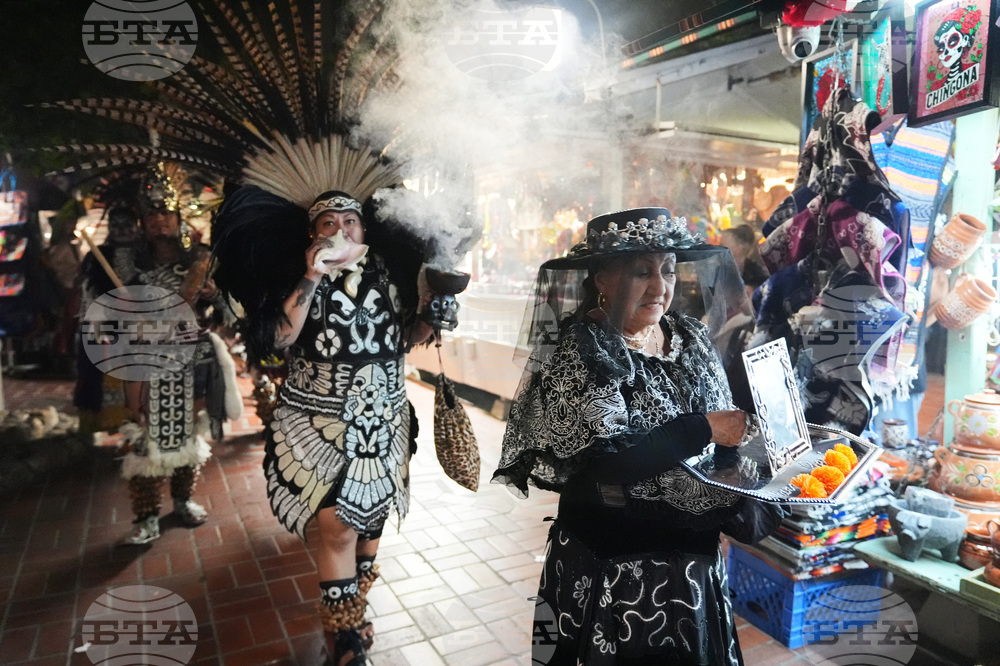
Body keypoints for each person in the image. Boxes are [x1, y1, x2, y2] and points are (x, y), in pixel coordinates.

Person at [494, 207, 784, 665]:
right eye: (641, 271)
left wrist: (759, 446)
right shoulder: (582, 347)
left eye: (667, 270)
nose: (659, 286)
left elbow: (725, 432)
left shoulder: (687, 335)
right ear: (603, 279)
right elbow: (612, 463)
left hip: (690, 566)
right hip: (615, 571)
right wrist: (704, 427)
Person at [213, 185, 433, 666]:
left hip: (384, 414)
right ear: (311, 235)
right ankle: (344, 633)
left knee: (371, 522)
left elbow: (409, 337)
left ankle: (354, 606)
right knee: (335, 526)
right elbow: (277, 340)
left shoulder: (391, 276)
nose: (340, 231)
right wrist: (312, 276)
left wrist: (436, 314)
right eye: (327, 224)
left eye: (349, 222)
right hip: (319, 417)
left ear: (365, 229)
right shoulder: (299, 277)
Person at [116, 167, 242, 546]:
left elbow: (228, 315)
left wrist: (213, 295)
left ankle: (183, 499)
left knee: (188, 435)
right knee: (144, 438)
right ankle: (146, 516)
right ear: (142, 220)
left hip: (196, 359)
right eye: (151, 214)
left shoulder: (201, 258)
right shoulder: (126, 262)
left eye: (165, 213)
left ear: (177, 217)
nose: (159, 221)